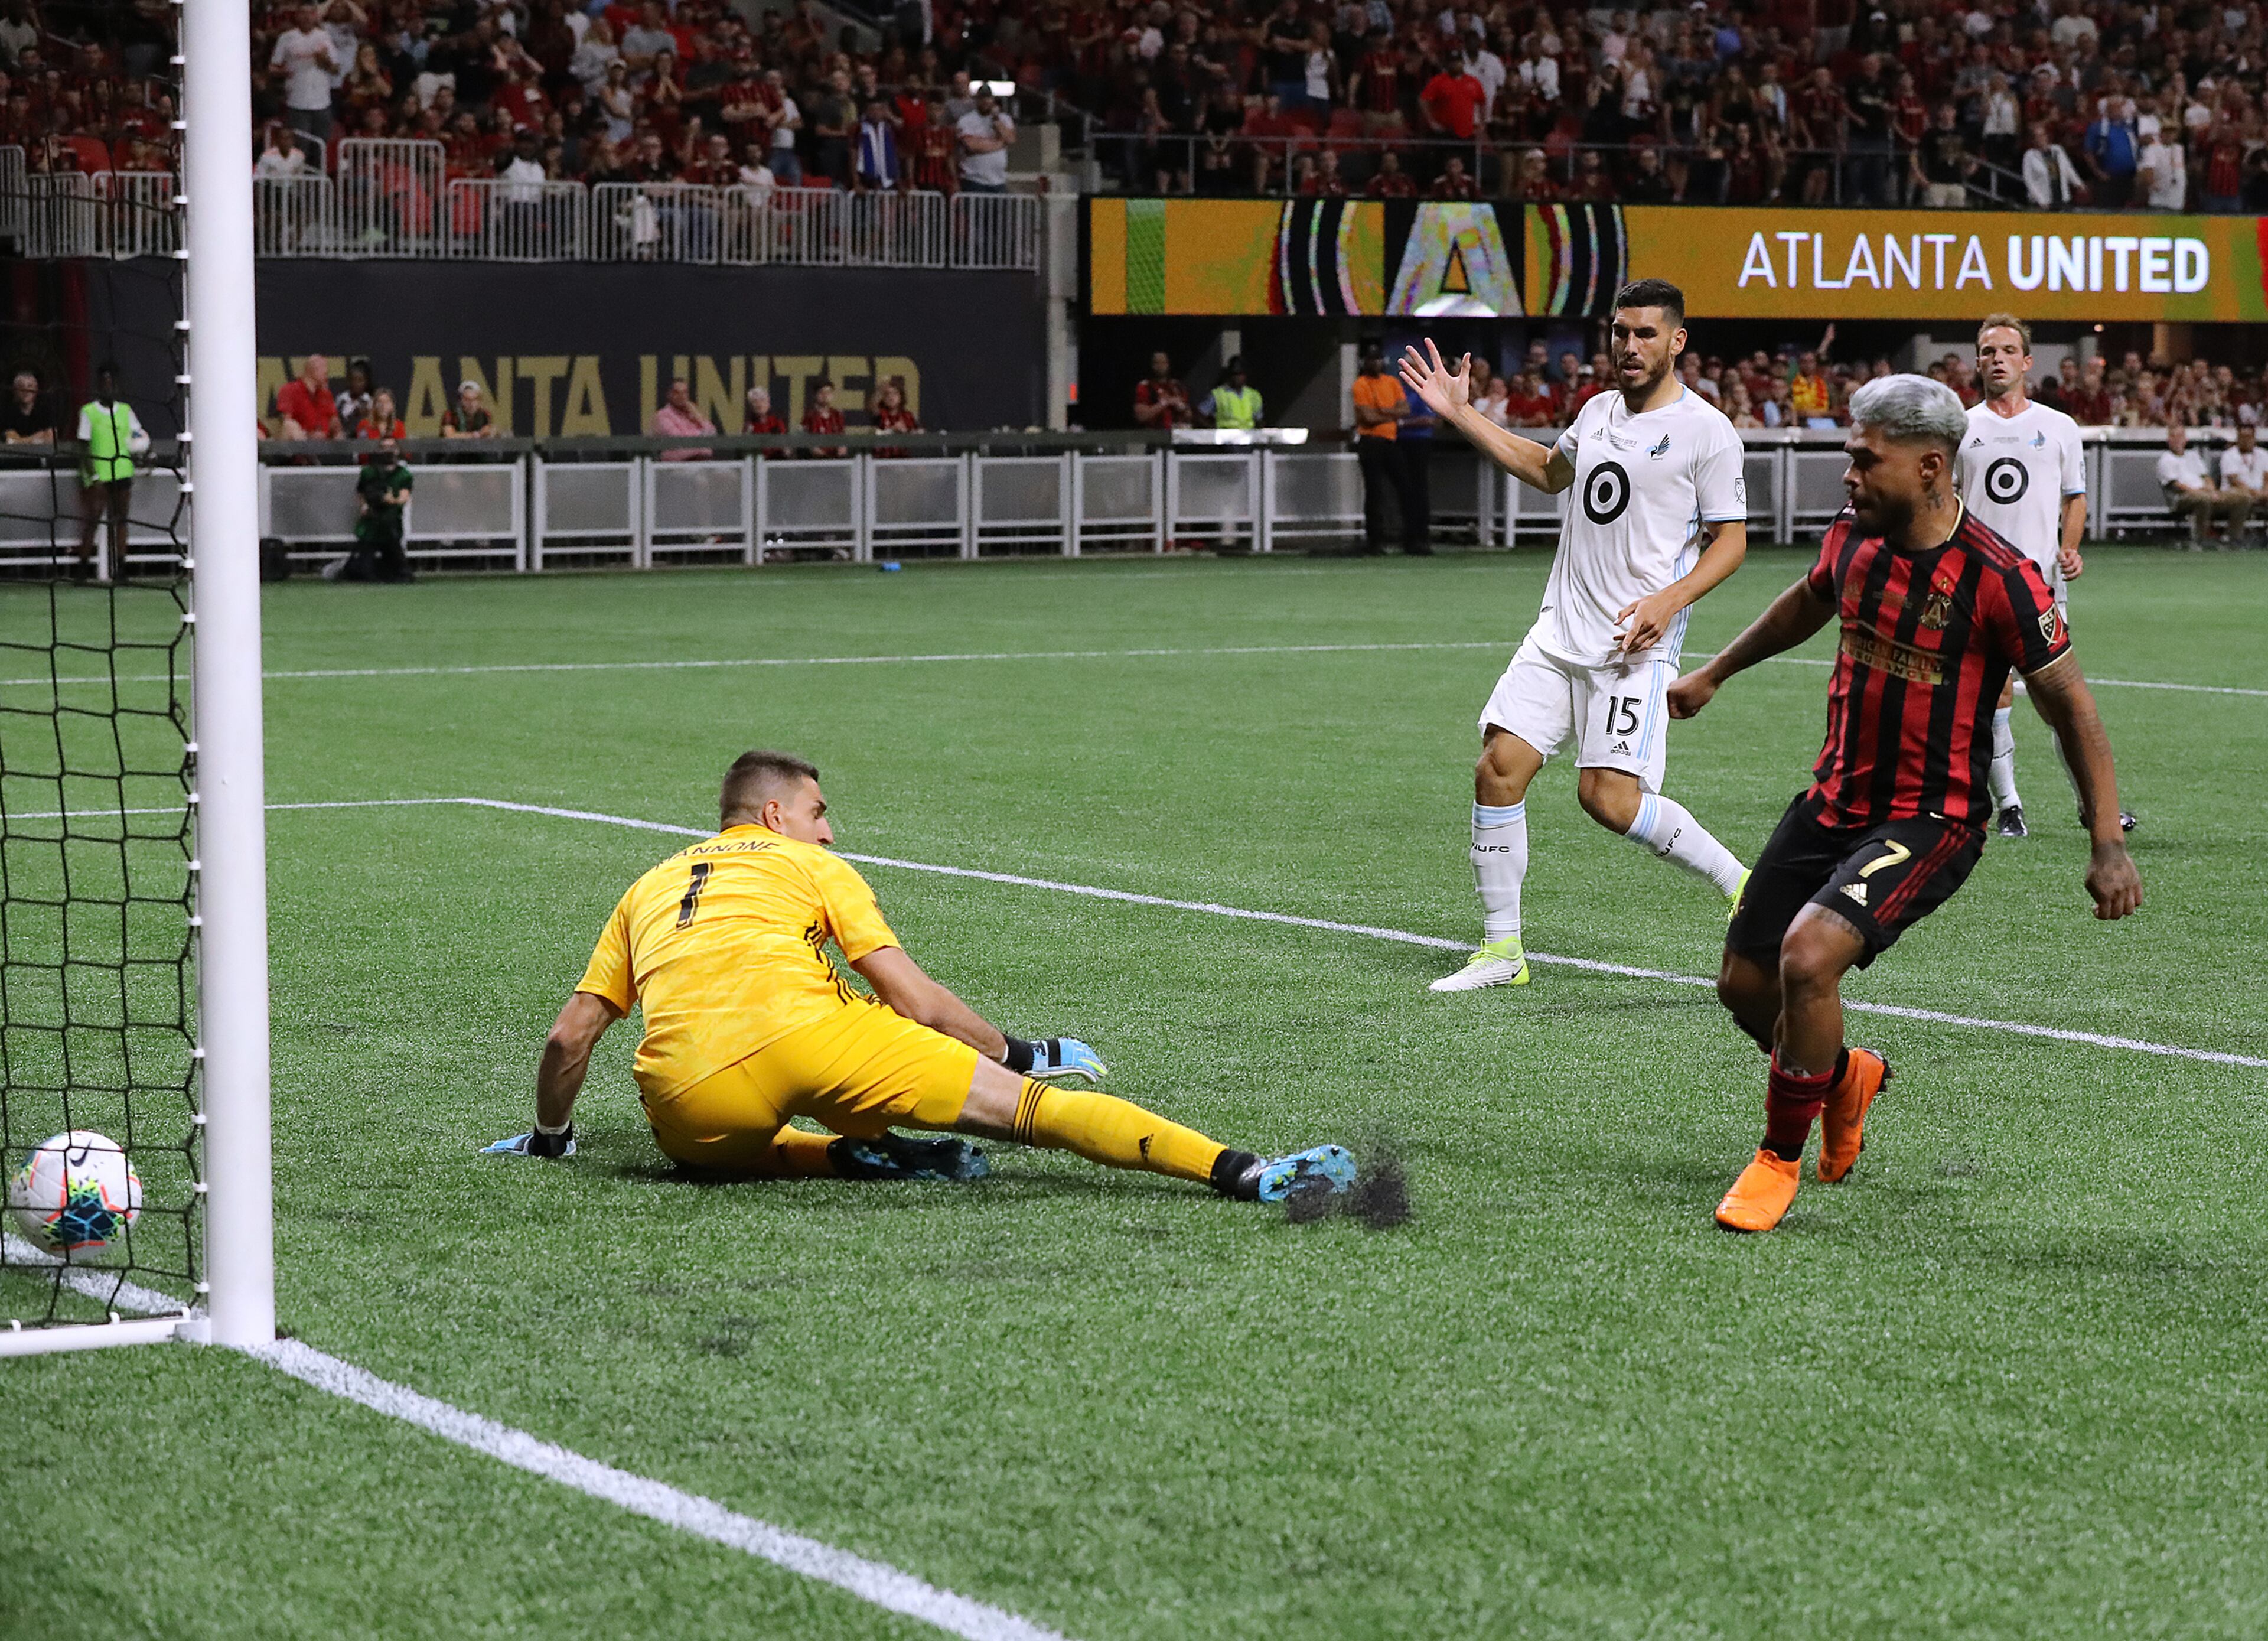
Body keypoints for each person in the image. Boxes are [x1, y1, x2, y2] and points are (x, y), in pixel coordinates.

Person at [1669, 373, 2140, 1233]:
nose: (1848, 475)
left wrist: (2106, 838)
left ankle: (1777, 1159)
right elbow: (1810, 599)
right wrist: (1715, 671)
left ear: (1930, 467)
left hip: (1933, 818)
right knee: (1743, 983)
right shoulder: (1853, 535)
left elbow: (2071, 705)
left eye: (1864, 459)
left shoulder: (2000, 577)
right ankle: (1844, 1074)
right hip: (1834, 797)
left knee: (1807, 958)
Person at [485, 750, 1357, 1207]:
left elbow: (571, 1036)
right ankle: (1242, 1172)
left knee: (726, 1156)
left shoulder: (647, 885)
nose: (830, 833)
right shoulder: (810, 867)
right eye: (821, 812)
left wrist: (552, 1138)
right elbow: (913, 998)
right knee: (1031, 1112)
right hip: (818, 1042)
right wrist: (1016, 1049)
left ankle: (857, 1158)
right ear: (777, 814)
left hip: (687, 1104)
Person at [1397, 279, 1751, 992]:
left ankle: (1743, 882)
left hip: (1632, 647)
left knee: (1608, 800)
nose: (1629, 345)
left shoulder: (1707, 431)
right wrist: (1463, 415)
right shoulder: (1594, 413)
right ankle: (1503, 952)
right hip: (1559, 633)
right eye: (1620, 332)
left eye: (1645, 333)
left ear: (1676, 341)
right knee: (1498, 768)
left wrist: (1670, 599)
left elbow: (1732, 540)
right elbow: (1544, 470)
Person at [1955, 314, 2130, 838]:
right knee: (1995, 699)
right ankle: (2010, 808)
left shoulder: (2058, 427)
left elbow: (2074, 497)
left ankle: (2092, 807)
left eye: (2009, 350)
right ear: (1978, 362)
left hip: (2040, 588)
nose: (1999, 359)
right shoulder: (1962, 427)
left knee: (2061, 703)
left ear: (2027, 362)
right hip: (1978, 588)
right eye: (1989, 352)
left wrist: (2069, 548)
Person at [76, 362, 149, 583]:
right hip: (99, 476)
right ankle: (82, 569)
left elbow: (139, 436)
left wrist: (148, 451)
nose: (108, 387)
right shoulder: (89, 412)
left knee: (121, 521)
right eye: (104, 382)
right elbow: (83, 447)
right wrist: (93, 475)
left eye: (112, 382)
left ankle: (121, 569)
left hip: (122, 472)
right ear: (98, 385)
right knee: (92, 522)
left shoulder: (126, 411)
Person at [1351, 343, 1418, 556]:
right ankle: (1375, 543)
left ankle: (1412, 540)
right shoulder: (1360, 385)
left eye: (1378, 359)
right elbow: (1367, 418)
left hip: (1390, 441)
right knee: (1375, 493)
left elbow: (1405, 409)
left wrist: (1382, 412)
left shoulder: (1392, 383)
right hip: (1370, 442)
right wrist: (1392, 414)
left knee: (1406, 489)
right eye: (1372, 359)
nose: (1376, 363)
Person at [2157, 422, 2247, 543]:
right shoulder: (2166, 460)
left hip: (2206, 493)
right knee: (2203, 500)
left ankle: (2233, 539)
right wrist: (2200, 492)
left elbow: (2206, 477)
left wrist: (2213, 491)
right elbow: (2176, 485)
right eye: (2175, 436)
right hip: (2182, 498)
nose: (2178, 440)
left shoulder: (2193, 456)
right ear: (2169, 440)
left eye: (2181, 436)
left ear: (2186, 439)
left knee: (2243, 498)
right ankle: (2199, 541)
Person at [347, 437, 415, 582]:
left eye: (391, 447)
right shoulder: (369, 472)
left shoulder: (403, 474)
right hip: (371, 524)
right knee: (362, 571)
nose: (388, 451)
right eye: (384, 448)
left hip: (390, 523)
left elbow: (404, 497)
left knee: (401, 573)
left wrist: (391, 500)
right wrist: (365, 506)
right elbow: (361, 493)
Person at [956, 84, 1015, 194]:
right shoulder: (966, 120)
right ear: (977, 100)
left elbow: (1010, 139)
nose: (985, 101)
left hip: (999, 181)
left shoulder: (1004, 119)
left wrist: (996, 119)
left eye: (988, 98)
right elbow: (972, 146)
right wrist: (1000, 143)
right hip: (974, 180)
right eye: (982, 98)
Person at [2217, 421, 2268, 533]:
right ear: (2238, 438)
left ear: (2254, 438)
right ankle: (2235, 536)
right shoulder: (2229, 455)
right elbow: (2234, 481)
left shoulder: (2263, 454)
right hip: (2234, 492)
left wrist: (2265, 492)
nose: (2246, 441)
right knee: (2243, 498)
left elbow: (2267, 477)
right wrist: (2255, 493)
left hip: (2260, 493)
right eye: (2243, 437)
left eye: (2249, 437)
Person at [275, 354, 340, 441]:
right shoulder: (290, 390)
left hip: (325, 444)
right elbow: (286, 423)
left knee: (340, 435)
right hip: (300, 444)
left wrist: (335, 428)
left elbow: (335, 424)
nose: (326, 374)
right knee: (290, 425)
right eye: (324, 371)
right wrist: (309, 436)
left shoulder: (326, 395)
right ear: (313, 370)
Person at [651, 376, 715, 461]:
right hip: (679, 465)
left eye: (685, 393)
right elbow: (680, 440)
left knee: (729, 474)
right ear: (669, 395)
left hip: (704, 462)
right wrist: (701, 436)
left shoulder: (693, 414)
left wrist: (698, 417)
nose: (682, 396)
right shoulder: (663, 416)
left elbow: (712, 433)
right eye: (677, 393)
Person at [1133, 352, 1190, 431]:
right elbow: (1141, 416)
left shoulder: (1177, 386)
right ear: (1152, 365)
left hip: (1177, 435)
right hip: (1154, 435)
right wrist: (1165, 403)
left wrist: (1182, 408)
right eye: (1157, 363)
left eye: (1164, 363)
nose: (1161, 366)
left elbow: (1189, 415)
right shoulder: (1145, 386)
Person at [1204, 356, 1263, 431]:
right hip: (1227, 438)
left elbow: (1259, 420)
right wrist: (1211, 429)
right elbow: (1201, 413)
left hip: (1248, 437)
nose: (1238, 378)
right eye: (1235, 374)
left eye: (1241, 374)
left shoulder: (1253, 395)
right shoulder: (1219, 394)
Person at [2, 368, 53, 449]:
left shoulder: (45, 410)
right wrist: (37, 438)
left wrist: (21, 441)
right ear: (15, 391)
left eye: (30, 386)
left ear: (36, 389)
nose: (26, 391)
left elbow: (51, 438)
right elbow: (11, 440)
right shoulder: (7, 412)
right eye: (21, 387)